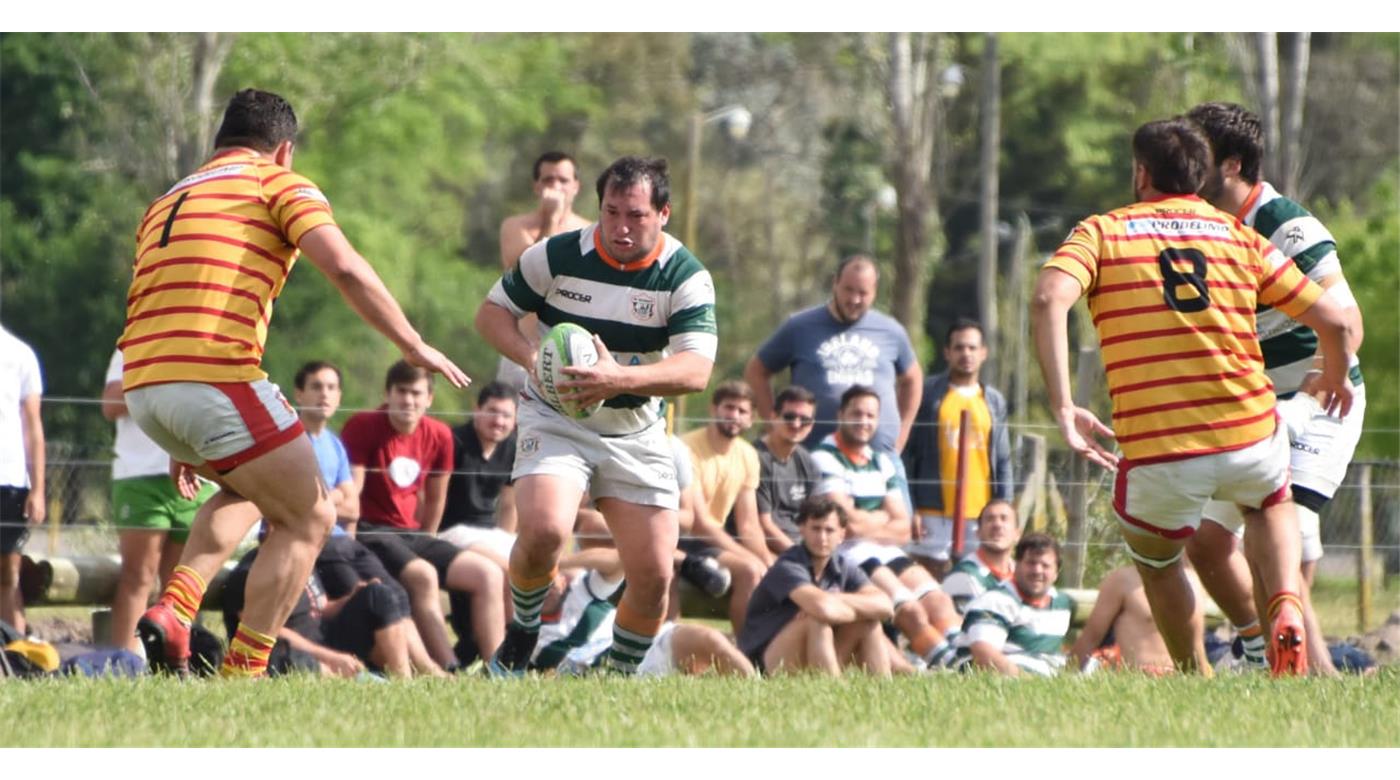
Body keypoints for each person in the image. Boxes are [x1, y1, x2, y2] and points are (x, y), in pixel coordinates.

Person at [124, 88, 467, 677]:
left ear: (220, 142)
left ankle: (176, 608)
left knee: (253, 488)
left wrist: (183, 432)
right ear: (283, 149)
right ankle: (244, 672)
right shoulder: (278, 183)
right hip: (212, 381)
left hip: (146, 388)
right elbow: (345, 266)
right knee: (311, 516)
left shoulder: (167, 200)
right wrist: (412, 343)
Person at [1032, 116, 1354, 676]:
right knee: (1270, 502)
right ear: (1202, 175)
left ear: (1140, 172)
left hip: (1161, 452)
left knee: (1156, 562)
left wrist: (1063, 404)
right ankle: (1282, 600)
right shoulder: (1240, 237)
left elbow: (1047, 299)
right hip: (1248, 435)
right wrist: (1335, 372)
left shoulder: (1102, 233)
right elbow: (1335, 319)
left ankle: (1192, 672)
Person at [475, 155, 717, 676]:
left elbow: (696, 372)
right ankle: (521, 634)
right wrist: (529, 359)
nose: (621, 228)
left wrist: (618, 381)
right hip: (556, 416)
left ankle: (616, 678)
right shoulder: (557, 254)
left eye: (636, 216)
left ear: (664, 213)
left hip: (635, 430)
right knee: (542, 531)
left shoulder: (685, 276)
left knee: (652, 575)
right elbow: (492, 313)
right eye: (611, 213)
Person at [1185, 102, 1369, 676]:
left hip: (1320, 400)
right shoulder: (1199, 226)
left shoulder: (1287, 223)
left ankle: (1315, 677)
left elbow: (1348, 321)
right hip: (1255, 408)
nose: (1187, 166)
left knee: (1272, 526)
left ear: (1232, 165)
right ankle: (1264, 650)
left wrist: (1326, 376)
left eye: (1200, 156)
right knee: (1208, 544)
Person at [342, 360, 505, 669]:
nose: (409, 401)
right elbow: (352, 491)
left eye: (416, 393)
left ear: (429, 399)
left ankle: (498, 668)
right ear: (387, 393)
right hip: (369, 529)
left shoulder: (440, 435)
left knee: (489, 573)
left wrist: (427, 541)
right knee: (423, 575)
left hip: (413, 533)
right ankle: (448, 667)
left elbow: (435, 499)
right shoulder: (362, 426)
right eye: (401, 392)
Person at [744, 254, 922, 510]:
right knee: (822, 535)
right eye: (848, 289)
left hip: (880, 457)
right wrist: (775, 426)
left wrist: (901, 433)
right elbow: (757, 370)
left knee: (897, 532)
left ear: (875, 292)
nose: (854, 299)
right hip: (814, 458)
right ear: (835, 283)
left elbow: (913, 378)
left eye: (863, 292)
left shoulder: (891, 331)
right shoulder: (800, 326)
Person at [812, 385, 963, 669]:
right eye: (856, 413)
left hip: (885, 550)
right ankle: (951, 669)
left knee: (940, 601)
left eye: (871, 415)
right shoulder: (825, 456)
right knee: (910, 610)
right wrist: (883, 517)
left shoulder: (882, 461)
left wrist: (869, 519)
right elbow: (847, 526)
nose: (864, 421)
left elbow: (903, 527)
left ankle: (965, 659)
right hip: (847, 554)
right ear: (841, 414)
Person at [101, 347, 217, 651]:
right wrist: (158, 382)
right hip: (141, 476)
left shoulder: (208, 343)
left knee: (181, 582)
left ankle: (177, 661)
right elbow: (110, 403)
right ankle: (125, 662)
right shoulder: (132, 345)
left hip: (200, 475)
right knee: (138, 575)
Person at [531, 547, 754, 677]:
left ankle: (753, 691)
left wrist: (562, 562)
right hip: (606, 669)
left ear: (561, 577)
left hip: (643, 641)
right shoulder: (528, 631)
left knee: (710, 639)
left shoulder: (583, 588)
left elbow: (619, 560)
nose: (546, 588)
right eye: (536, 583)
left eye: (550, 579)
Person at [903, 319, 1013, 574]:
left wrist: (1003, 510)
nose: (966, 354)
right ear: (947, 352)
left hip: (980, 514)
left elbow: (1004, 460)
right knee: (927, 583)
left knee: (974, 583)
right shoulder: (928, 394)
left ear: (984, 352)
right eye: (960, 348)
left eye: (973, 348)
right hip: (932, 511)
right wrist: (911, 507)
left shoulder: (993, 401)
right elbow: (907, 453)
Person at [738, 496, 893, 676]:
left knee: (869, 623)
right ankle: (832, 691)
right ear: (802, 529)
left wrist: (836, 599)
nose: (822, 537)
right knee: (816, 620)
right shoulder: (788, 566)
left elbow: (886, 607)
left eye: (829, 530)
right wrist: (855, 606)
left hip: (815, 653)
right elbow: (823, 609)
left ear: (842, 534)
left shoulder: (842, 566)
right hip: (766, 664)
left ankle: (882, 690)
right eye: (815, 529)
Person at [496, 151, 593, 391]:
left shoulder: (588, 233)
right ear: (536, 186)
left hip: (571, 352)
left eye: (563, 180)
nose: (556, 187)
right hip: (522, 349)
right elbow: (525, 273)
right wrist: (550, 220)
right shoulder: (515, 227)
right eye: (548, 180)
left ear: (576, 186)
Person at [680, 381, 768, 633]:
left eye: (742, 411)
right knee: (750, 570)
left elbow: (749, 524)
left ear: (752, 419)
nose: (734, 416)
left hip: (711, 541)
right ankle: (747, 652)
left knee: (771, 569)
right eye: (729, 408)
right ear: (713, 409)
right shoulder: (688, 448)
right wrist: (749, 558)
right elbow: (699, 522)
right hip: (683, 536)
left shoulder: (748, 454)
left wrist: (768, 563)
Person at [948, 533, 1071, 677]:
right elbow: (984, 655)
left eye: (1045, 565)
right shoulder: (996, 601)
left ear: (1056, 572)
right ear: (1016, 565)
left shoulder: (1062, 604)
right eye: (1031, 563)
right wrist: (1028, 682)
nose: (1037, 571)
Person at [1069, 563, 1205, 676]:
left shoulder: (1193, 580)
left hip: (1183, 679)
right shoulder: (1122, 581)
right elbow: (1091, 637)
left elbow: (1198, 643)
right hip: (1140, 678)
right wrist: (1067, 675)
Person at [438, 381, 519, 565]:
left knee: (528, 564)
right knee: (507, 567)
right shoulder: (453, 441)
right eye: (492, 411)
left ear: (515, 420)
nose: (498, 421)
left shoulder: (513, 447)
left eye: (506, 415)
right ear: (477, 409)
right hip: (449, 530)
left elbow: (509, 505)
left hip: (488, 532)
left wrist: (506, 541)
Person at [0, 325, 44, 636]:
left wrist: (39, 488)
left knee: (7, 574)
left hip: (10, 481)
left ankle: (13, 653)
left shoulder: (20, 353)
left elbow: (32, 426)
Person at [292, 361, 359, 532]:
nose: (324, 394)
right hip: (300, 539)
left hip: (339, 543)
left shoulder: (336, 445)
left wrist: (318, 504)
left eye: (331, 388)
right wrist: (336, 495)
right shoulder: (285, 442)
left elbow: (352, 510)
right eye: (316, 387)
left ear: (339, 397)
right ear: (299, 395)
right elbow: (291, 507)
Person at [754, 385, 822, 549]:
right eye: (789, 417)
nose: (797, 424)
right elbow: (765, 525)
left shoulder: (808, 461)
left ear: (812, 424)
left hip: (803, 546)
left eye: (804, 419)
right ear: (773, 417)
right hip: (767, 547)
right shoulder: (755, 459)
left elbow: (815, 517)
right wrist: (801, 557)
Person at [942, 499, 1020, 614]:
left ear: (1017, 534)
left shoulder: (1023, 574)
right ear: (978, 533)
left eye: (1004, 519)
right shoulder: (962, 576)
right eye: (990, 519)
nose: (997, 525)